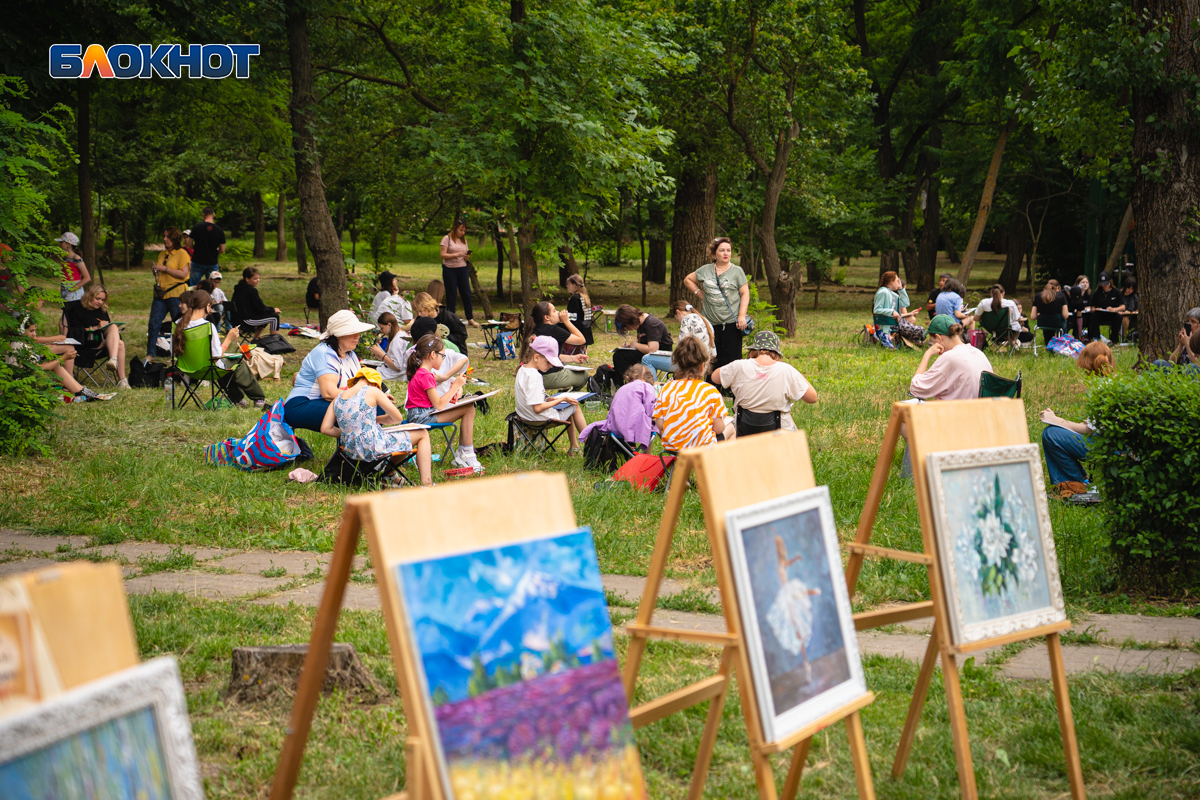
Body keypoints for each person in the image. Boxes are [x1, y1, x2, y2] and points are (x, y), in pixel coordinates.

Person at [320, 367, 434, 487]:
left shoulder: (338, 398)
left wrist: (350, 432)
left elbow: (325, 428)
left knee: (402, 438)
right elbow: (397, 418)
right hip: (371, 447)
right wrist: (377, 419)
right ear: (374, 382)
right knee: (422, 433)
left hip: (350, 450)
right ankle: (427, 484)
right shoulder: (372, 391)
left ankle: (390, 474)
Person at [1038, 341, 1114, 490]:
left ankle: (1074, 482)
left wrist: (1056, 420)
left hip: (1103, 446)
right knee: (1054, 432)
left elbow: (1087, 431)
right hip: (1110, 443)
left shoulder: (1101, 388)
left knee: (1051, 435)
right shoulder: (1113, 382)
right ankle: (1079, 478)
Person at [283, 310, 375, 432]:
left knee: (377, 408)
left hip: (327, 402)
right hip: (301, 405)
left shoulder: (351, 355)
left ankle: (354, 447)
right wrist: (367, 398)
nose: (357, 336)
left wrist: (380, 398)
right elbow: (329, 393)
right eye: (352, 332)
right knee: (359, 410)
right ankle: (351, 448)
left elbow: (357, 386)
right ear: (338, 334)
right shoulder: (324, 353)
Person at [173, 290, 266, 408]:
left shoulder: (177, 324)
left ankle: (238, 399)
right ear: (207, 306)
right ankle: (258, 399)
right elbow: (216, 356)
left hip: (186, 369)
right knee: (236, 361)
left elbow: (174, 353)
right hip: (208, 369)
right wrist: (228, 339)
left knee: (224, 365)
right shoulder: (207, 326)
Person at [404, 334, 482, 471]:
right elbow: (439, 404)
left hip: (419, 414)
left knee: (467, 407)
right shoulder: (426, 375)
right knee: (468, 409)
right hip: (422, 417)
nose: (443, 360)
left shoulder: (420, 372)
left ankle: (465, 452)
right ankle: (466, 453)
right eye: (442, 356)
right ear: (433, 355)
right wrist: (456, 386)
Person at [712, 330, 816, 432]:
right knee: (789, 421)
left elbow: (714, 377)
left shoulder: (738, 366)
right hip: (778, 433)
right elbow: (812, 397)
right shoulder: (786, 370)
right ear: (777, 353)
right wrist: (797, 374)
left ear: (753, 350)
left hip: (743, 430)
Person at [683, 237, 749, 373]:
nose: (726, 253)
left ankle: (731, 389)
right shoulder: (705, 270)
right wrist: (699, 293)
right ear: (714, 254)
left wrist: (742, 316)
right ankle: (714, 387)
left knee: (733, 357)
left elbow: (745, 294)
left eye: (728, 250)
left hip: (731, 321)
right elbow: (688, 279)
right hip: (710, 321)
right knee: (712, 356)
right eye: (722, 250)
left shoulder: (737, 271)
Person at [654, 336, 733, 450]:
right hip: (702, 448)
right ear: (702, 366)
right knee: (731, 429)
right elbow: (719, 429)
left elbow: (660, 425)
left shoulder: (666, 388)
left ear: (679, 365)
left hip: (673, 447)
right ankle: (723, 466)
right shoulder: (709, 391)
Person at [514, 335, 588, 454]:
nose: (551, 366)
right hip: (539, 419)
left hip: (525, 417)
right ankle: (589, 444)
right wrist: (561, 399)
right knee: (574, 406)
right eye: (548, 362)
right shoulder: (535, 376)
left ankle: (574, 446)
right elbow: (538, 408)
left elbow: (531, 398)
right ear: (536, 357)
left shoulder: (522, 370)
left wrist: (548, 400)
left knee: (566, 406)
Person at [766, 535, 821, 683]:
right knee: (794, 630)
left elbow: (788, 563)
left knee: (799, 630)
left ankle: (806, 665)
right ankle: (803, 665)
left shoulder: (782, 563)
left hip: (788, 595)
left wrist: (796, 558)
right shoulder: (778, 565)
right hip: (786, 597)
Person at [909, 315, 993, 400]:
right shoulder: (979, 353)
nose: (933, 345)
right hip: (981, 411)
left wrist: (927, 355)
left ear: (939, 338)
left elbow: (916, 388)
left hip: (954, 412)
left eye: (933, 341)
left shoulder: (949, 357)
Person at [578, 363, 657, 452]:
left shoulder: (622, 389)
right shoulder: (648, 387)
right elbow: (650, 409)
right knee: (653, 426)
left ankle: (629, 450)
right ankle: (647, 456)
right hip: (634, 429)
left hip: (615, 428)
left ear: (628, 377)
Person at [67, 284, 130, 388]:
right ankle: (122, 380)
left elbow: (107, 327)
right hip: (85, 344)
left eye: (102, 300)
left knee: (115, 331)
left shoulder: (101, 310)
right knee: (120, 344)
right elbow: (74, 332)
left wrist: (111, 329)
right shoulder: (77, 309)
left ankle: (116, 365)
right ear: (90, 296)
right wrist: (95, 327)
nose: (100, 302)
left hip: (102, 342)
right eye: (97, 299)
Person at [522, 301, 589, 391]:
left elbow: (548, 356)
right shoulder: (554, 330)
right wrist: (566, 321)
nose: (558, 312)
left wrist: (573, 358)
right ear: (547, 317)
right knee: (584, 375)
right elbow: (581, 340)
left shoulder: (534, 329)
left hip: (534, 374)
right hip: (549, 376)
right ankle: (567, 399)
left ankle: (563, 395)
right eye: (554, 311)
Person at [147, 227, 191, 357]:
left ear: (174, 238)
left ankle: (180, 353)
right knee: (154, 323)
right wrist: (156, 270)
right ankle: (151, 353)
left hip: (176, 294)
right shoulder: (162, 254)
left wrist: (165, 268)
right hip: (161, 294)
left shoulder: (182, 254)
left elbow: (184, 274)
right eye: (164, 236)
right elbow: (161, 271)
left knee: (179, 324)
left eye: (168, 236)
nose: (165, 239)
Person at [614, 304, 672, 380]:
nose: (630, 329)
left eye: (628, 326)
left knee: (620, 356)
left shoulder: (651, 323)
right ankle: (627, 382)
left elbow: (653, 349)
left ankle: (629, 382)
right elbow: (643, 342)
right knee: (621, 354)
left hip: (662, 354)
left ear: (630, 321)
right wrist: (629, 347)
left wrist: (635, 345)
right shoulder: (640, 323)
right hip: (650, 353)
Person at [439, 219, 478, 327]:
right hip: (449, 269)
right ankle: (451, 318)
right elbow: (443, 255)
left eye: (464, 231)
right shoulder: (446, 239)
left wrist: (466, 256)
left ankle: (470, 318)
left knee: (466, 293)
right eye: (461, 230)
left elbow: (464, 255)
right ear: (455, 228)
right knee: (451, 294)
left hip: (462, 268)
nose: (462, 233)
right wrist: (457, 254)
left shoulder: (464, 241)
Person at [873, 271, 923, 347]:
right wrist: (892, 311)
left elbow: (905, 303)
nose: (898, 283)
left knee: (922, 332)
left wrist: (901, 289)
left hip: (896, 322)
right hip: (889, 323)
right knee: (921, 332)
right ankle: (895, 340)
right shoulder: (883, 292)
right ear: (891, 281)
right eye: (897, 281)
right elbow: (876, 310)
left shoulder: (891, 293)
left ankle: (903, 341)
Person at [54, 232, 90, 328]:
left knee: (63, 323)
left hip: (74, 294)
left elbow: (87, 277)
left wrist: (72, 288)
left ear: (68, 245)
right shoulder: (64, 258)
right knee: (67, 320)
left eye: (61, 242)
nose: (59, 244)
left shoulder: (76, 258)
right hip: (65, 291)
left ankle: (64, 339)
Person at [231, 267, 280, 335]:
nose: (258, 280)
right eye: (255, 279)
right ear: (247, 279)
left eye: (258, 278)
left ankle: (255, 339)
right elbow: (260, 308)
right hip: (246, 321)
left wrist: (269, 310)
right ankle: (275, 340)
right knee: (275, 317)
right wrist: (273, 309)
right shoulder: (250, 290)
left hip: (237, 320)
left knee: (267, 314)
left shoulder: (239, 288)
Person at [424, 279, 469, 352]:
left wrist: (445, 336)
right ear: (441, 294)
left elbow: (462, 334)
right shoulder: (423, 315)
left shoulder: (446, 315)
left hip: (452, 351)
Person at [1151, 308, 1200, 372]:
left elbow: (1197, 363)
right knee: (1158, 363)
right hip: (1180, 373)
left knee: (1191, 367)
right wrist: (1181, 345)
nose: (1189, 324)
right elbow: (1171, 361)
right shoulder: (1188, 338)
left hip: (1194, 376)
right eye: (1188, 321)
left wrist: (1187, 344)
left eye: (1193, 322)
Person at [188, 207, 226, 286]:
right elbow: (222, 249)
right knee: (212, 286)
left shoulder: (197, 227)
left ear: (203, 215)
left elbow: (189, 244)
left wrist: (197, 247)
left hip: (197, 260)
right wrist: (214, 253)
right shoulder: (219, 230)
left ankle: (193, 298)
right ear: (213, 215)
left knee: (194, 285)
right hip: (212, 262)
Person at [1085, 271, 1124, 342]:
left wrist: (1113, 309)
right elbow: (1092, 308)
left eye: (1106, 283)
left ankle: (1114, 338)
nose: (1104, 286)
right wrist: (1096, 309)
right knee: (1094, 316)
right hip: (1100, 315)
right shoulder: (1097, 293)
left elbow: (1123, 307)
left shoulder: (1117, 292)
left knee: (1118, 317)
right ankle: (1096, 337)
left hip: (1112, 314)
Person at [372, 312, 409, 381]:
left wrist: (382, 354)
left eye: (382, 328)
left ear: (389, 325)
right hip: (396, 372)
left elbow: (397, 367)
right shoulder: (401, 334)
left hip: (393, 374)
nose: (381, 331)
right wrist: (383, 358)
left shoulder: (397, 340)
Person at [1029, 280, 1069, 344]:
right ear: (1057, 287)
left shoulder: (1038, 296)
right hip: (1057, 323)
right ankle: (1062, 342)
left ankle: (1048, 344)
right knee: (1063, 322)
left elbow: (1033, 316)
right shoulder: (1061, 296)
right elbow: (1065, 315)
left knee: (1047, 321)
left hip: (1043, 323)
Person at [565, 274, 594, 351]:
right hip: (586, 330)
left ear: (574, 285)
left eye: (568, 284)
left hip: (578, 330)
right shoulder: (585, 297)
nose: (567, 286)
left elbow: (572, 317)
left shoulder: (575, 298)